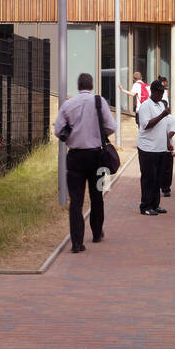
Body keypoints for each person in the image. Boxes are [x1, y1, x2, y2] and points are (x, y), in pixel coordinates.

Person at [53, 73, 116, 253]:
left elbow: (58, 130)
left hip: (75, 159)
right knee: (97, 194)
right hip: (97, 157)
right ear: (92, 85)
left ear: (78, 86)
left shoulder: (68, 104)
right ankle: (97, 232)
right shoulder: (99, 102)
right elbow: (111, 126)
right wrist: (98, 134)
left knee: (76, 200)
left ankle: (77, 242)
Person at [136, 80, 172, 216]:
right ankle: (145, 206)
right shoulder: (145, 106)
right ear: (153, 91)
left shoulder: (161, 105)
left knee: (158, 178)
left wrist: (168, 143)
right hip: (147, 149)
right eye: (159, 92)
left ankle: (155, 205)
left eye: (163, 92)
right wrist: (163, 114)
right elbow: (146, 125)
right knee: (148, 178)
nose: (161, 95)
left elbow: (165, 126)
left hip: (161, 148)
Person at [156, 76, 173, 196]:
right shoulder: (152, 109)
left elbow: (172, 131)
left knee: (167, 169)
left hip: (167, 148)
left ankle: (166, 188)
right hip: (156, 147)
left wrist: (167, 141)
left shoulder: (170, 118)